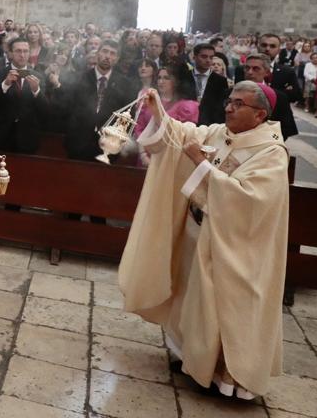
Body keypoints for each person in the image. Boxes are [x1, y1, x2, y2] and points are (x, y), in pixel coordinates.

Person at [119, 82, 289, 400]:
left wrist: (200, 163)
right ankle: (190, 359)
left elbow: (248, 201)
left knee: (223, 309)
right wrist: (159, 113)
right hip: (199, 233)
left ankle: (225, 378)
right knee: (192, 300)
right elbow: (183, 135)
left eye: (239, 104)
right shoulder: (219, 133)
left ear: (260, 114)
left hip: (234, 248)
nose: (229, 107)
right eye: (229, 101)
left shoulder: (270, 153)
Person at [54, 39, 139, 161]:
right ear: (97, 54)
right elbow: (66, 108)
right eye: (104, 51)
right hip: (78, 144)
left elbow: (128, 117)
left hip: (109, 149)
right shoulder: (78, 78)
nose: (107, 56)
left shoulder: (126, 85)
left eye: (112, 53)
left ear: (117, 58)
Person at [0, 38, 48, 154]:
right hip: (1, 135)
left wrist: (36, 90)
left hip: (27, 137)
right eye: (18, 51)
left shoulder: (38, 77)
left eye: (25, 51)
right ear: (11, 53)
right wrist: (5, 84)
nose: (22, 55)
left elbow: (45, 109)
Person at [242, 54, 298, 139]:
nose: (250, 72)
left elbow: (286, 127)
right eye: (247, 68)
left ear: (267, 72)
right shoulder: (230, 93)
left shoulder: (279, 97)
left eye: (256, 69)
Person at [193, 42, 231, 125]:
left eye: (211, 57)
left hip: (209, 125)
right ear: (194, 57)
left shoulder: (220, 81)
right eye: (204, 57)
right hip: (185, 123)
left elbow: (221, 107)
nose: (208, 60)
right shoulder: (185, 75)